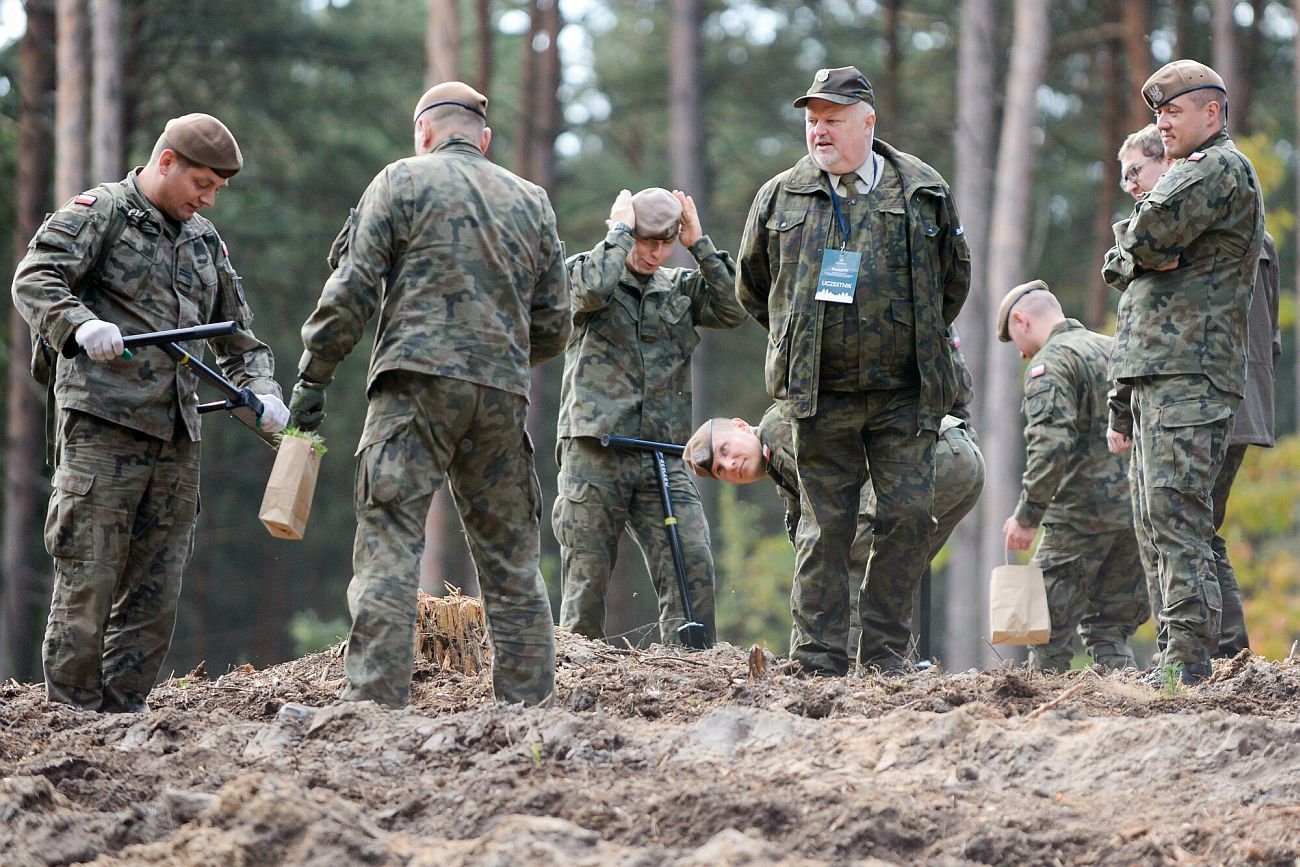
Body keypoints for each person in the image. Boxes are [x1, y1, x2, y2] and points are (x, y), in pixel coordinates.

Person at [289, 82, 570, 708]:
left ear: (423, 132)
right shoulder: (532, 201)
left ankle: (375, 707)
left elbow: (352, 290)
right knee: (512, 562)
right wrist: (492, 356)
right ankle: (529, 712)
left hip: (411, 388)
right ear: (483, 139)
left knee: (390, 547)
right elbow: (554, 326)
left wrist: (314, 376)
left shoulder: (399, 181)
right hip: (501, 397)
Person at [12, 114, 288, 713]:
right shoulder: (100, 212)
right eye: (202, 183)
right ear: (166, 162)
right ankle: (70, 720)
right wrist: (82, 326)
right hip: (103, 431)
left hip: (176, 436)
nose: (209, 198)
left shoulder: (204, 240)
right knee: (88, 578)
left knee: (156, 592)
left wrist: (264, 395)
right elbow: (34, 277)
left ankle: (124, 714)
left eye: (217, 188)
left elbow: (240, 340)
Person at [735, 65, 971, 675]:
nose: (820, 131)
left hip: (904, 393)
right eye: (813, 120)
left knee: (907, 519)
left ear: (868, 122)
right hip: (820, 394)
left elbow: (954, 279)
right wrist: (801, 341)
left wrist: (906, 339)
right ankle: (817, 659)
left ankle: (887, 655)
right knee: (824, 527)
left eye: (833, 120)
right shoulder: (781, 195)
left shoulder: (922, 190)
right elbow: (754, 287)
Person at [1102, 60, 1265, 685]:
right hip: (1159, 373)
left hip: (1191, 373)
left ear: (1212, 113)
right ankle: (1175, 656)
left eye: (1173, 111)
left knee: (1178, 516)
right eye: (1157, 114)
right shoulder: (1193, 172)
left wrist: (1140, 251)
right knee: (1151, 519)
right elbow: (1142, 245)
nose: (1162, 123)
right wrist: (1141, 252)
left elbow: (1143, 236)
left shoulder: (1218, 168)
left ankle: (1190, 662)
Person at [553, 187, 747, 646]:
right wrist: (618, 233)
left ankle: (691, 673)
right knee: (586, 575)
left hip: (663, 454)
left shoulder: (679, 286)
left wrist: (699, 245)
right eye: (645, 241)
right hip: (595, 451)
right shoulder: (588, 272)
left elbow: (734, 308)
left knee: (691, 562)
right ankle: (577, 683)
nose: (654, 253)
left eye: (665, 243)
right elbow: (589, 292)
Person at [997, 281, 1148, 671]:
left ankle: (1042, 723)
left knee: (1045, 636)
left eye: (1014, 338)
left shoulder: (1051, 364)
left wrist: (1027, 516)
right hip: (1134, 514)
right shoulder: (1115, 348)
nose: (1019, 351)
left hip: (1079, 521)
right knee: (1110, 631)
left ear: (1021, 319)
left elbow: (1050, 444)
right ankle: (1130, 720)